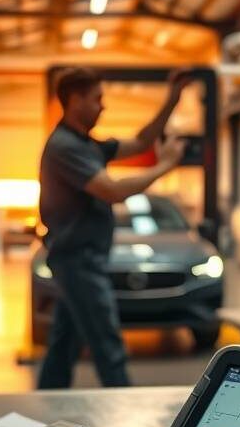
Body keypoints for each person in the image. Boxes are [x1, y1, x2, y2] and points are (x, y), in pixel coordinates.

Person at [36, 67, 193, 389]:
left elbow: (141, 141)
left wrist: (172, 100)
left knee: (63, 347)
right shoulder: (65, 147)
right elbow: (112, 190)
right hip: (78, 262)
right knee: (109, 348)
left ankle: (45, 401)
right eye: (97, 99)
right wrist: (165, 166)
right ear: (75, 100)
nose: (103, 106)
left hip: (81, 259)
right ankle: (124, 411)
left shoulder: (86, 145)